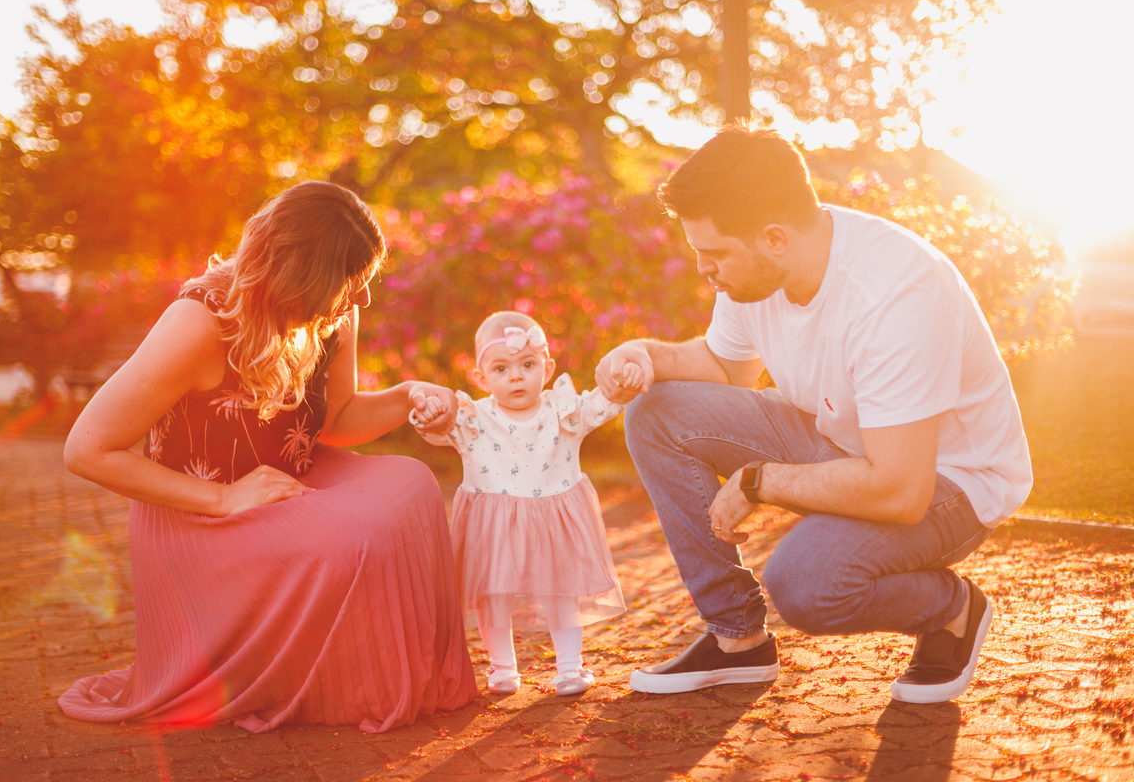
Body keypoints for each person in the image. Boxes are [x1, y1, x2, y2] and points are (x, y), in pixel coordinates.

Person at [594, 124, 1032, 704]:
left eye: (715, 253)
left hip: (948, 481)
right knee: (658, 410)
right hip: (844, 441)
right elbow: (728, 369)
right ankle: (737, 640)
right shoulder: (760, 271)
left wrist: (760, 481)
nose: (706, 270)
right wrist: (647, 356)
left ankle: (953, 609)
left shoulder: (894, 296)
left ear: (774, 238)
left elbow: (901, 491)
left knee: (806, 582)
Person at [59, 180, 478, 733]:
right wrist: (224, 497)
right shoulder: (200, 323)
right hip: (199, 514)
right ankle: (329, 683)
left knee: (414, 484)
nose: (364, 298)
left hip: (285, 476)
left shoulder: (331, 315)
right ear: (301, 275)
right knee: (351, 538)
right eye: (352, 282)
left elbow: (337, 420)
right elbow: (87, 449)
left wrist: (407, 398)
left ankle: (360, 668)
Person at [410, 311, 637, 696]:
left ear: (546, 368)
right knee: (492, 597)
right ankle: (502, 668)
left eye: (527, 365)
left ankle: (569, 667)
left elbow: (599, 405)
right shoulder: (473, 418)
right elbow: (438, 428)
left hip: (555, 518)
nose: (516, 376)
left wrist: (620, 384)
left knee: (561, 592)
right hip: (493, 523)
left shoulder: (562, 411)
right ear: (481, 378)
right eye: (501, 368)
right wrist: (430, 414)